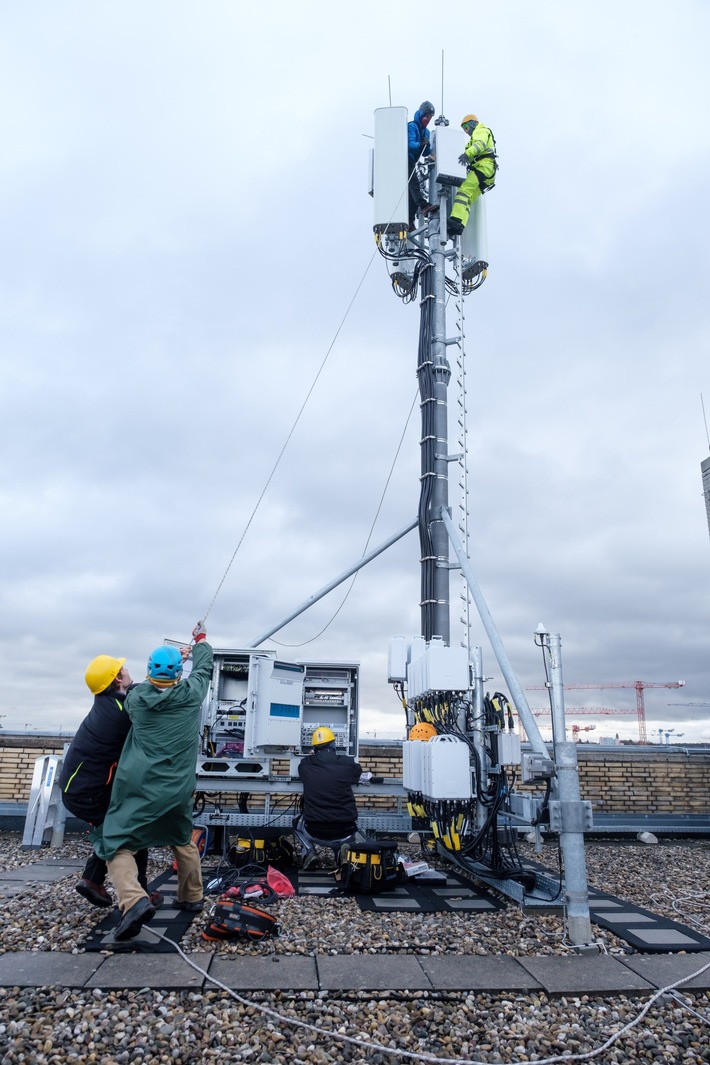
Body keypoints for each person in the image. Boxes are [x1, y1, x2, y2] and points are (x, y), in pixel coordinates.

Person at [92, 623, 214, 941]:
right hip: (177, 787)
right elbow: (204, 666)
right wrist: (199, 642)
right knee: (182, 837)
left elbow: (149, 688)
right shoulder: (192, 693)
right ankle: (192, 897)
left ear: (149, 671)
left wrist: (171, 662)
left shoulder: (136, 700)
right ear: (178, 673)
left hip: (138, 785)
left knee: (116, 840)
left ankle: (133, 900)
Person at [57, 655, 161, 909]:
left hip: (78, 789)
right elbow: (146, 710)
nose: (126, 669)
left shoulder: (108, 702)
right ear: (117, 678)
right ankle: (139, 894)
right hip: (87, 794)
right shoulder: (121, 716)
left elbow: (135, 691)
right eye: (122, 668)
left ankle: (92, 880)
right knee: (133, 831)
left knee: (113, 830)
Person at [295, 726, 363, 869]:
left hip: (314, 830)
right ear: (333, 744)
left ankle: (309, 852)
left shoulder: (306, 765)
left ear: (314, 747)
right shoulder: (347, 763)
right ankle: (342, 852)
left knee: (296, 822)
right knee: (345, 829)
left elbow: (303, 769)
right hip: (346, 830)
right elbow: (357, 774)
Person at [448, 113, 497, 237]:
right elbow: (465, 150)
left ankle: (455, 220)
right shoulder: (473, 138)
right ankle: (460, 226)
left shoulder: (481, 131)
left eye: (466, 126)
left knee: (464, 190)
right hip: (488, 174)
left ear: (472, 123)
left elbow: (479, 145)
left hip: (483, 167)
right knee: (468, 199)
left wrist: (467, 155)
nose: (465, 130)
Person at [407, 100, 439, 231]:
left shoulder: (425, 132)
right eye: (426, 116)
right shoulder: (412, 126)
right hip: (406, 158)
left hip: (412, 161)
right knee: (414, 185)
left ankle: (409, 221)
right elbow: (409, 143)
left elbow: (425, 152)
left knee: (411, 193)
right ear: (420, 114)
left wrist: (427, 147)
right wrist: (419, 144)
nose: (427, 119)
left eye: (430, 117)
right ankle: (424, 206)